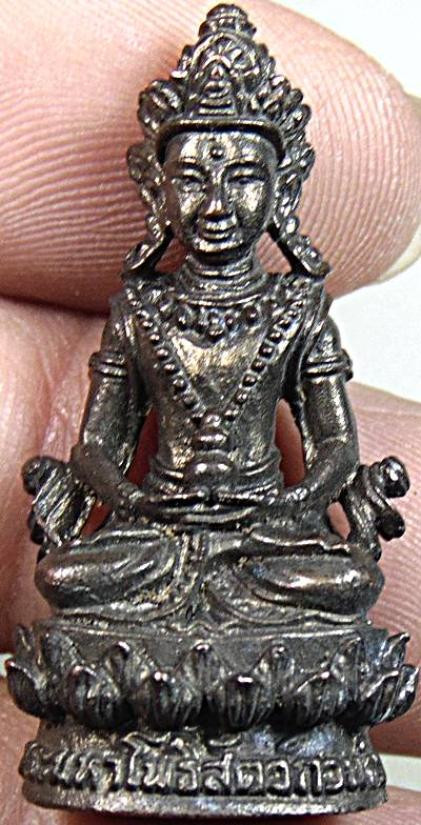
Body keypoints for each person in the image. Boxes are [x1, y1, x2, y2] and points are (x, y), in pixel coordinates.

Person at [0, 1, 420, 823]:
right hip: (156, 532)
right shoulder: (139, 308)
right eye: (192, 176)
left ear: (282, 186)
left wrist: (288, 508)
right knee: (68, 579)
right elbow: (96, 448)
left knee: (346, 583)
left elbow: (335, 447)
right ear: (156, 188)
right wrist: (140, 503)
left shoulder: (297, 308)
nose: (217, 200)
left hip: (267, 536)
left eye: (242, 176)